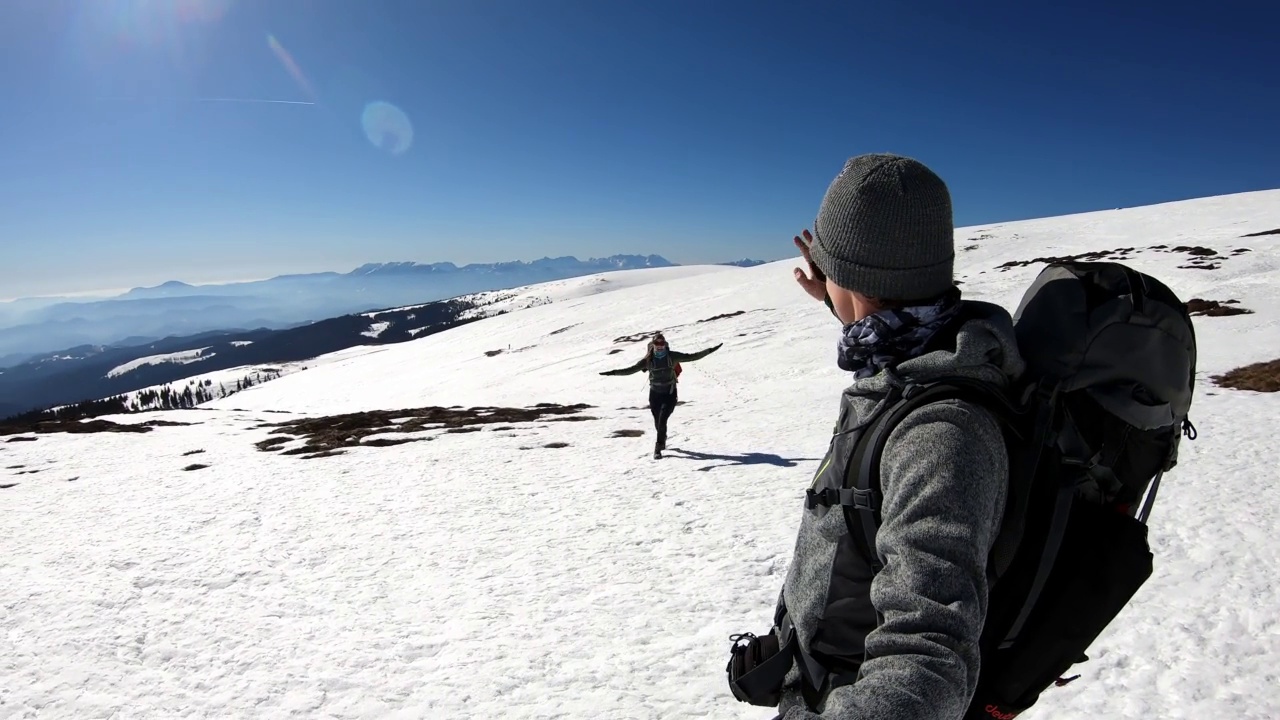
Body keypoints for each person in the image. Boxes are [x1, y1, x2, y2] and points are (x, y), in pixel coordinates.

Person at [765, 153, 1026, 718]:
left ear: (856, 279)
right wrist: (845, 291)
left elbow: (927, 657)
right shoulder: (914, 356)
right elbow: (888, 324)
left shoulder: (940, 430)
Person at [599, 332, 722, 457]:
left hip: (670, 393)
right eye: (657, 343)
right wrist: (612, 373)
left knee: (662, 420)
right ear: (653, 345)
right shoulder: (648, 360)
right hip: (655, 394)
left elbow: (692, 357)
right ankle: (662, 439)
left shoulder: (672, 356)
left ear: (665, 344)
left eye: (662, 343)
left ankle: (658, 448)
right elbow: (630, 370)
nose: (660, 346)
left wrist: (710, 350)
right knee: (658, 422)